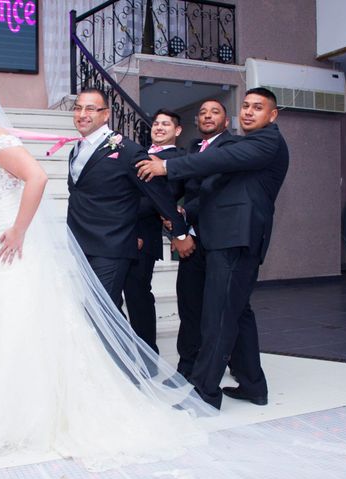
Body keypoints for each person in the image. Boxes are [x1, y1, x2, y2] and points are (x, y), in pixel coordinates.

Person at [0, 68, 213, 471]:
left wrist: (18, 229)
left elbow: (35, 178)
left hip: (18, 247)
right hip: (10, 249)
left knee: (19, 327)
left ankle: (36, 411)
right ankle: (1, 409)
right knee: (6, 329)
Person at [137, 87, 289, 409]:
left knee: (218, 317)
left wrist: (168, 167)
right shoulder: (249, 144)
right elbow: (218, 190)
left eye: (257, 107)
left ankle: (205, 394)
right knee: (238, 313)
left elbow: (220, 158)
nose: (248, 111)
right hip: (222, 237)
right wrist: (185, 214)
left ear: (272, 115)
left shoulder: (267, 141)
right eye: (245, 105)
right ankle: (252, 385)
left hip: (236, 238)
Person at [67, 88, 194, 312]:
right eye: (78, 108)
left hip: (112, 245)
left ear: (106, 115)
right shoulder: (76, 149)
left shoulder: (128, 150)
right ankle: (122, 348)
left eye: (90, 108)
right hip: (81, 242)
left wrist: (180, 232)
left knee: (100, 310)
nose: (82, 114)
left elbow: (158, 194)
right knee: (98, 310)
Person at [172, 100, 235, 380]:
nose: (207, 116)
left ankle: (224, 366)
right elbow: (184, 189)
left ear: (226, 122)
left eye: (215, 112)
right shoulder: (194, 149)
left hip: (221, 241)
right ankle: (186, 367)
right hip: (193, 239)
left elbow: (217, 191)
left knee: (221, 310)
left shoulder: (233, 148)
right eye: (202, 113)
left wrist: (185, 211)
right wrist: (173, 219)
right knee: (189, 305)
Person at [122, 108, 184, 356]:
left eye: (166, 124)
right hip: (121, 232)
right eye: (156, 123)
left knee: (138, 294)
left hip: (143, 233)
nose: (158, 127)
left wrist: (121, 212)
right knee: (117, 292)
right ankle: (122, 347)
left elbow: (164, 197)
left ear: (177, 130)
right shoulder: (138, 154)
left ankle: (147, 352)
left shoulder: (178, 159)